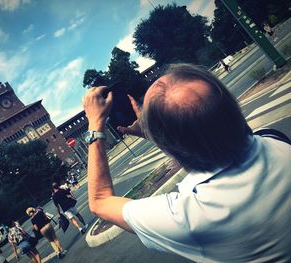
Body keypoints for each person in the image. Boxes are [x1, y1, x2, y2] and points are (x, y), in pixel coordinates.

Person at [82, 63, 291, 262]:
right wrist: (158, 136)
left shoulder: (190, 218)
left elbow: (100, 201)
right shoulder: (274, 140)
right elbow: (208, 143)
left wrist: (95, 125)